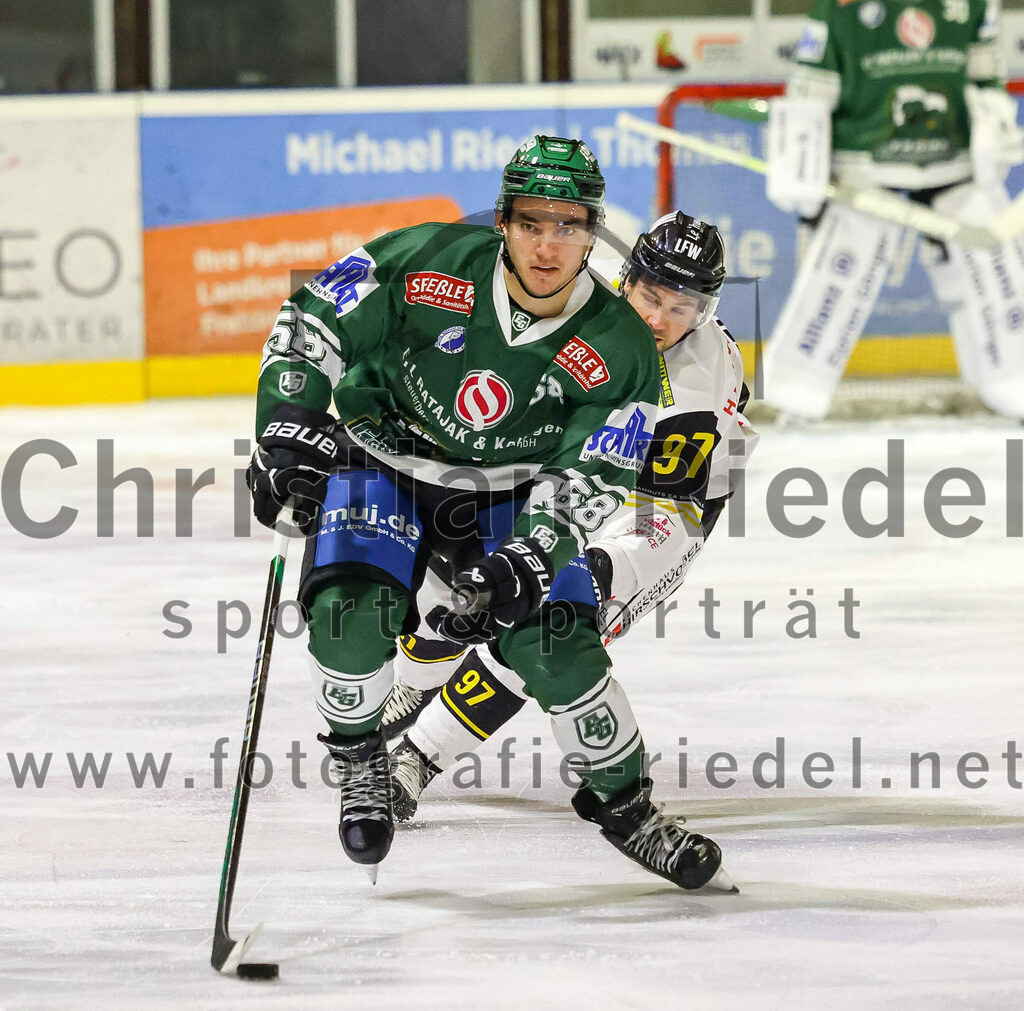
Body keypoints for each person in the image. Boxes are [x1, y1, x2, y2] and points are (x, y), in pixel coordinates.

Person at [247, 135, 717, 885]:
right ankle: (365, 759)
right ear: (502, 221)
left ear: (593, 233)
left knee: (557, 639)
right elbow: (315, 318)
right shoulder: (423, 258)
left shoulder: (623, 346)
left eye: (568, 225)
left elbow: (592, 469)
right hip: (384, 456)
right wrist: (286, 419)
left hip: (507, 491)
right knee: (348, 612)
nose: (548, 243)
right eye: (532, 221)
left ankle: (628, 808)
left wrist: (532, 554)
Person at [384, 213, 757, 891]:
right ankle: (412, 688)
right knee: (473, 583)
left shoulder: (707, 368)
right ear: (628, 279)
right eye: (652, 297)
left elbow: (660, 489)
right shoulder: (576, 312)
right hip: (572, 482)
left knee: (553, 617)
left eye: (684, 306)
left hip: (657, 512)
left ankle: (416, 756)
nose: (663, 317)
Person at [763, 0, 1024, 420]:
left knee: (996, 260)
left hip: (953, 159)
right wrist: (801, 157)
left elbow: (984, 78)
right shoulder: (839, 8)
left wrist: (994, 126)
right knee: (843, 267)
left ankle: (1013, 376)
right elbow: (811, 90)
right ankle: (795, 389)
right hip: (863, 163)